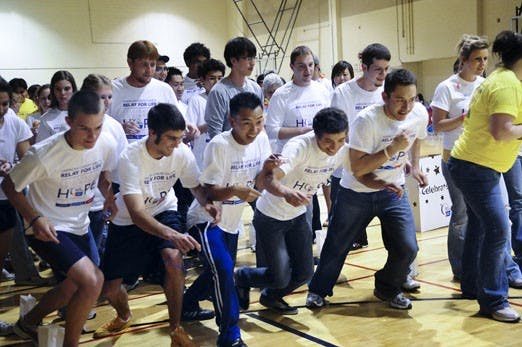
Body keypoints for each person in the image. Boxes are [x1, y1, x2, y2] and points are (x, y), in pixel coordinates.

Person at [94, 103, 219, 346]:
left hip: (163, 210)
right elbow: (137, 214)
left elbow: (194, 185)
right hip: (129, 221)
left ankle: (175, 330)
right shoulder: (130, 157)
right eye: (171, 138)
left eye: (180, 138)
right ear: (152, 133)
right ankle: (123, 316)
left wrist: (207, 203)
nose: (177, 144)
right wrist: (175, 235)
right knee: (109, 289)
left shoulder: (181, 152)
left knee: (173, 260)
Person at [1, 90, 117, 346]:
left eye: (97, 127)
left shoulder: (105, 141)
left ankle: (27, 322)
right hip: (47, 228)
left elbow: (102, 172)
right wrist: (34, 219)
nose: (92, 136)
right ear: (69, 122)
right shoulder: (43, 154)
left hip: (80, 225)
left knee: (73, 286)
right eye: (84, 129)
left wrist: (108, 195)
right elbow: (10, 186)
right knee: (92, 281)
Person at [307, 69, 429, 310]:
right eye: (399, 99)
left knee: (408, 246)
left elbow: (418, 138)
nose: (406, 106)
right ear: (385, 97)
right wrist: (392, 149)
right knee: (337, 244)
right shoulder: (366, 121)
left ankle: (387, 286)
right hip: (356, 192)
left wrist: (415, 166)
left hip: (393, 190)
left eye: (411, 99)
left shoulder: (419, 113)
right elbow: (358, 167)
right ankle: (318, 290)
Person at [235, 107, 349, 315]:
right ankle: (243, 276)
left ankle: (271, 297)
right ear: (316, 135)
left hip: (297, 217)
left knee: (305, 273)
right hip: (270, 217)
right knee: (279, 276)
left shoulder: (343, 149)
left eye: (340, 140)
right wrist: (287, 193)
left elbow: (361, 166)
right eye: (328, 142)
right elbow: (269, 180)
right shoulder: (299, 146)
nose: (335, 147)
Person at [184, 92, 273, 347]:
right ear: (232, 121)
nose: (254, 129)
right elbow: (209, 192)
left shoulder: (262, 139)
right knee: (223, 272)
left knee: (217, 272)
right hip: (206, 219)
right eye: (247, 123)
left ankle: (187, 304)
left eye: (259, 121)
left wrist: (268, 171)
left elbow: (259, 182)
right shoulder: (219, 145)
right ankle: (230, 335)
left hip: (232, 221)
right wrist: (235, 189)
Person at [447, 30, 522, 323]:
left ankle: (471, 285)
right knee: (498, 230)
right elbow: (501, 130)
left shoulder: (505, 79)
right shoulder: (505, 84)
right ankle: (493, 300)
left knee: (480, 227)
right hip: (475, 167)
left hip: (475, 164)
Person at [329, 43, 391, 253]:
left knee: (398, 232)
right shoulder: (343, 93)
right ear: (364, 67)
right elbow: (339, 132)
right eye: (378, 69)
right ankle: (324, 280)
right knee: (340, 233)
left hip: (383, 169)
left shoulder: (387, 92)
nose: (383, 75)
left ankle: (404, 273)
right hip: (347, 171)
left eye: (386, 69)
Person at [80, 74, 127, 261]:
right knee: (84, 259)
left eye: (109, 96)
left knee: (96, 256)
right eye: (102, 97)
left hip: (102, 200)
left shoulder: (114, 126)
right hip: (77, 201)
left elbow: (122, 162)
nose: (107, 102)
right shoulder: (76, 124)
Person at [109, 40, 179, 143]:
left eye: (152, 65)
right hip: (123, 155)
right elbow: (101, 125)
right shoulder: (113, 89)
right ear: (130, 63)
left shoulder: (165, 90)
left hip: (155, 154)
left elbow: (176, 123)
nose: (149, 70)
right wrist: (120, 128)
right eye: (144, 65)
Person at [0, 77, 32, 283]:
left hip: (5, 197)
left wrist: (12, 168)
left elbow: (27, 162)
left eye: (4, 104)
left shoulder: (14, 121)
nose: (1, 109)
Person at [205, 37, 264, 139]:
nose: (253, 62)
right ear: (233, 61)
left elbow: (261, 122)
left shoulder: (255, 88)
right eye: (248, 58)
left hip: (253, 148)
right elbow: (215, 132)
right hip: (229, 150)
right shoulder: (219, 92)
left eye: (254, 57)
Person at [185, 58, 226, 170]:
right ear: (202, 80)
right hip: (203, 159)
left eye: (220, 78)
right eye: (212, 78)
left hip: (225, 156)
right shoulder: (196, 100)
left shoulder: (229, 99)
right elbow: (189, 134)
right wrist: (211, 125)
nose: (217, 82)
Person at [36, 70, 78, 142]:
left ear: (73, 89)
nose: (62, 93)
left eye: (67, 89)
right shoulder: (46, 119)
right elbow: (42, 148)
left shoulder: (84, 113)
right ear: (53, 91)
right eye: (58, 89)